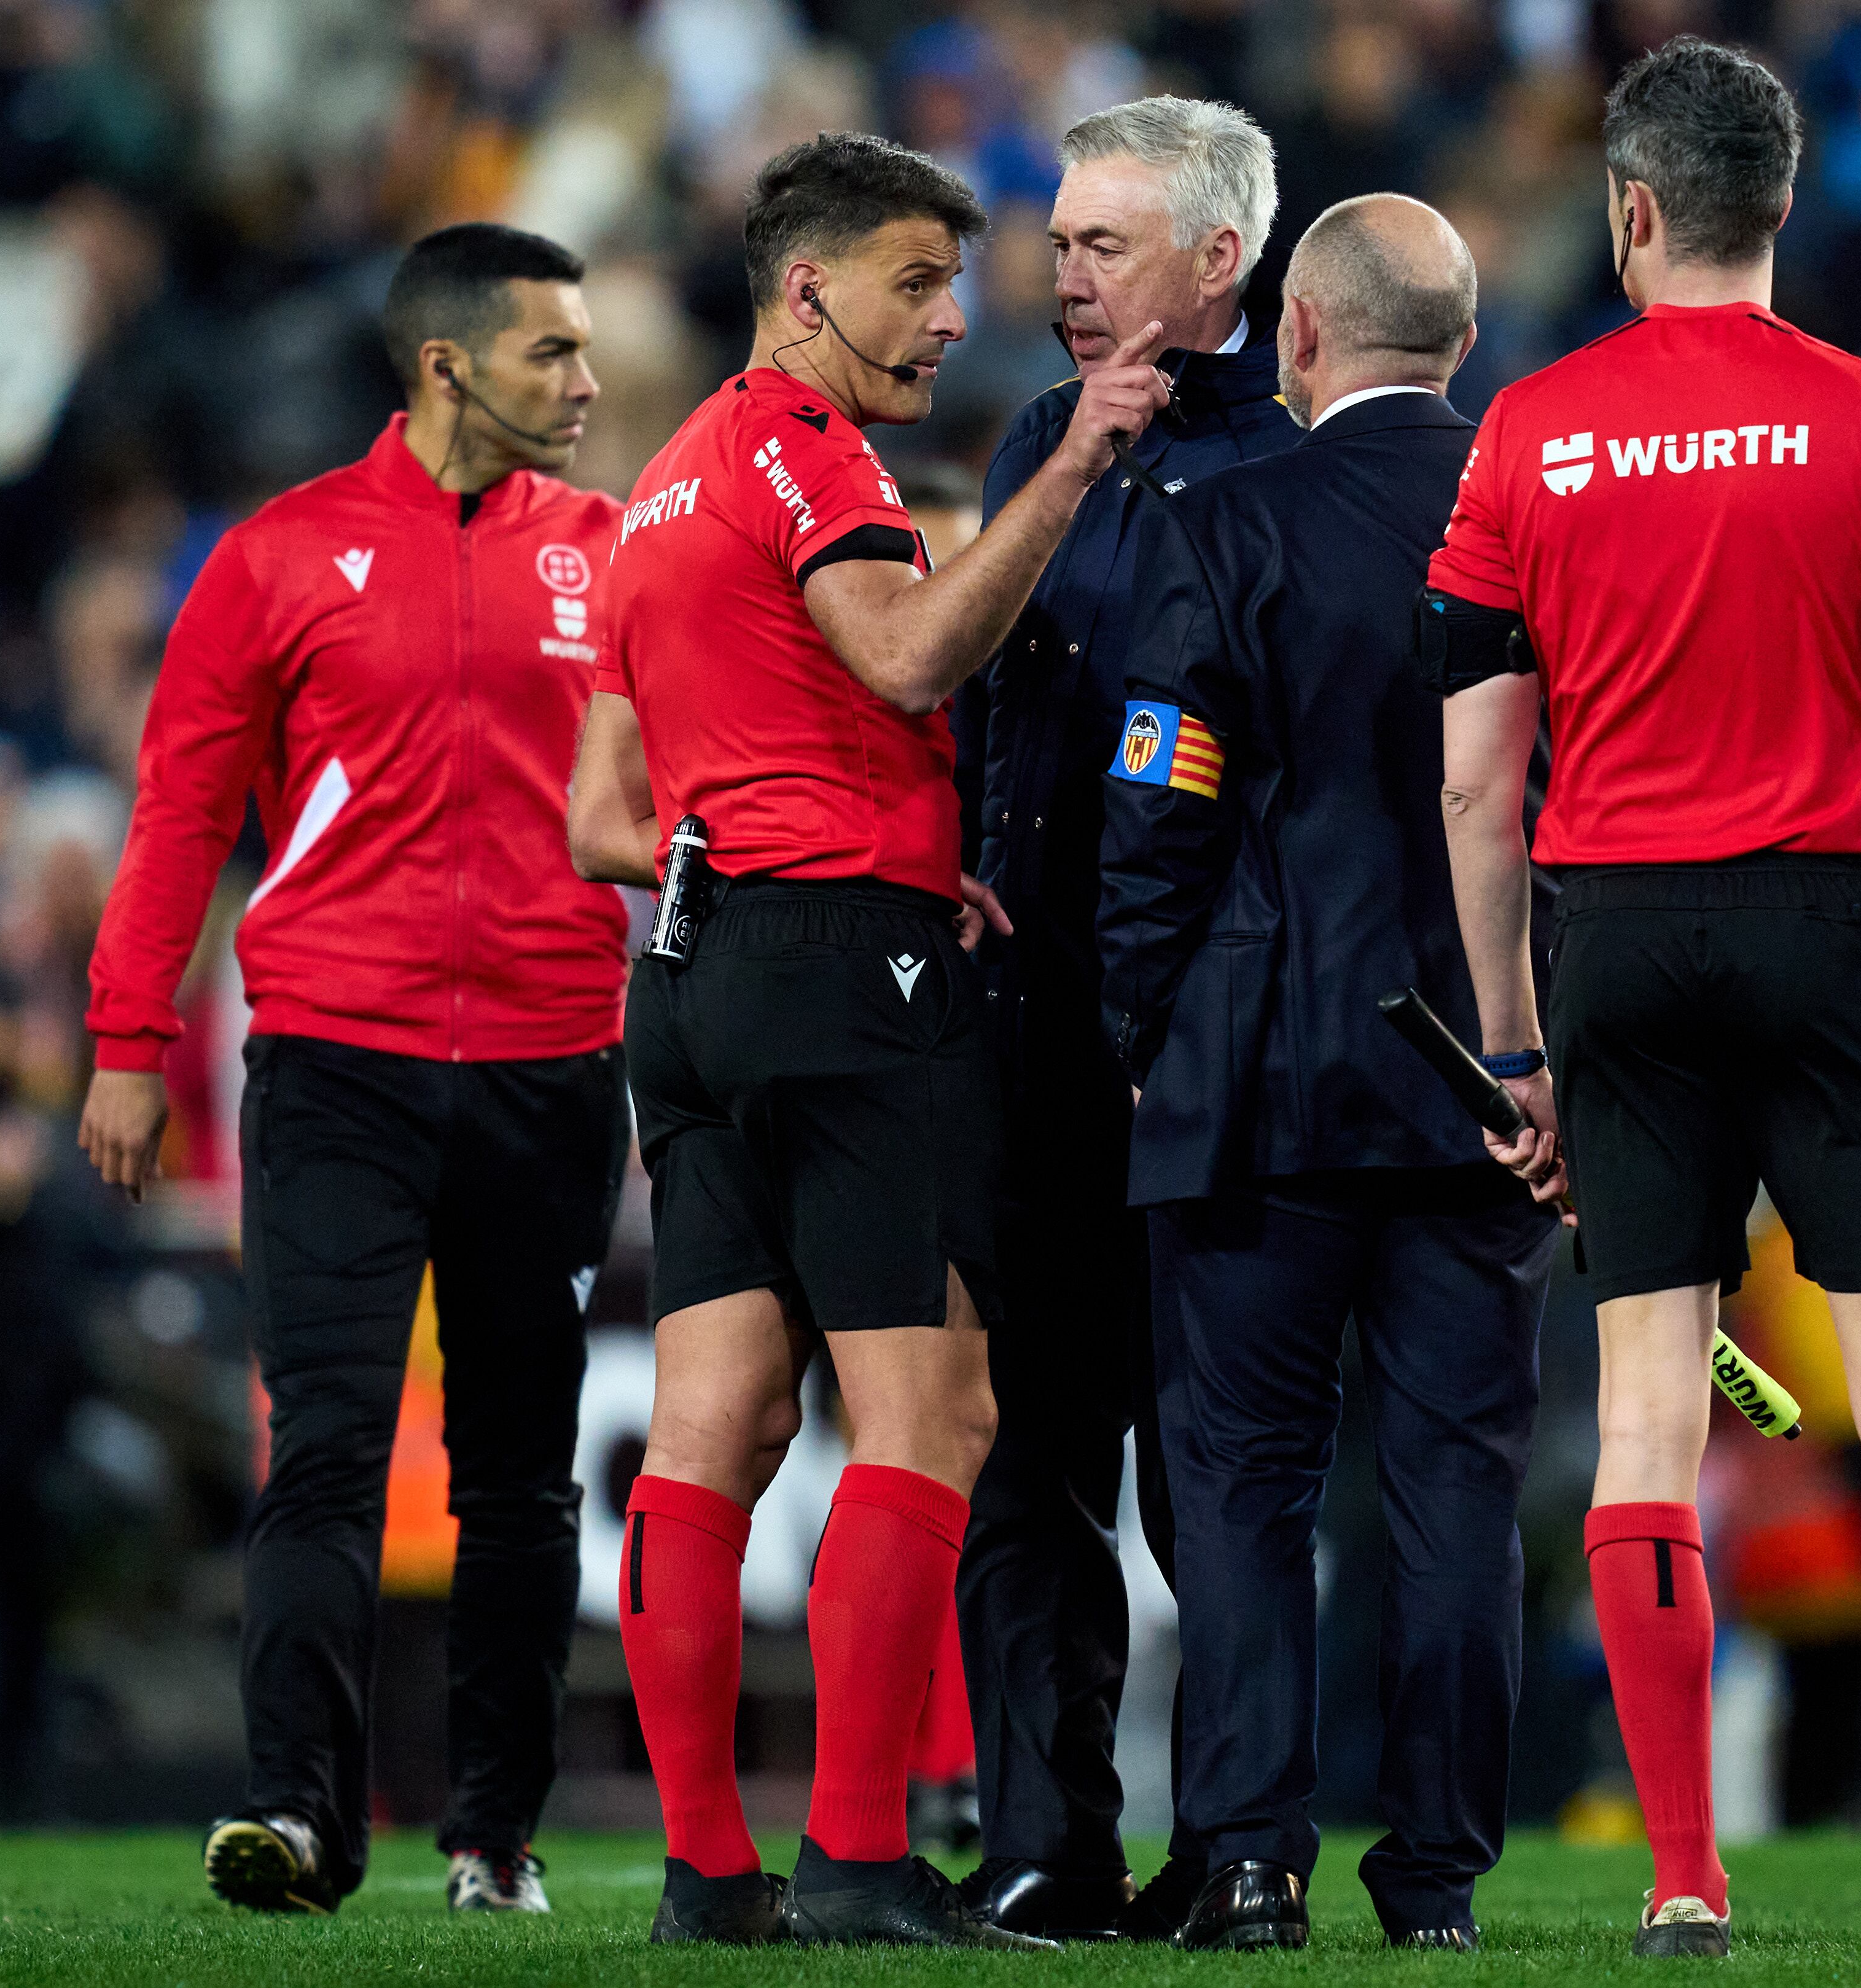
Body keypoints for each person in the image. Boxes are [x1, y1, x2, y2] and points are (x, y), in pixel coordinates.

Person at [1423, 39, 1861, 1961]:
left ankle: (1681, 1884)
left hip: (1621, 943)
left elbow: (1481, 782)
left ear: (1633, 209)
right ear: (1781, 207)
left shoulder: (1528, 432)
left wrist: (1514, 1046)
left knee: (1652, 1420)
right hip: (1839, 934)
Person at [567, 130, 1165, 1950]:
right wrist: (1066, 472)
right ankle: (853, 1859)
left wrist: (812, 844)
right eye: (917, 283)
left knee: (716, 1424)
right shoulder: (801, 449)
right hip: (841, 979)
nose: (948, 322)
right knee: (936, 1406)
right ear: (806, 287)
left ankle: (705, 1877)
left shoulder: (658, 484)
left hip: (688, 977)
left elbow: (606, 810)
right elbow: (908, 661)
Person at [79, 224, 630, 1919]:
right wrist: (126, 1041)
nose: (592, 382)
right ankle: (301, 1819)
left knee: (520, 1473)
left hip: (553, 1059)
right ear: (445, 365)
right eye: (554, 352)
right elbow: (180, 808)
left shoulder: (618, 554)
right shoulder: (279, 557)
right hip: (332, 1060)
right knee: (320, 1446)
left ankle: (496, 1836)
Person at [1096, 193, 1554, 1953]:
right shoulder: (1538, 533)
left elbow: (1159, 802)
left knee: (1241, 1488)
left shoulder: (1230, 521)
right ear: (1463, 346)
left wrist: (1146, 1027)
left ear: (1297, 332)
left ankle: (1250, 1860)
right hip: (1487, 1087)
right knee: (1453, 1490)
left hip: (1258, 1079)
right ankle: (1433, 1881)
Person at [951, 95, 1303, 1944]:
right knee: (1030, 1456)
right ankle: (1046, 1842)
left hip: (1216, 1047)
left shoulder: (1300, 459)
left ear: (1219, 262)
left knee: (1214, 1473)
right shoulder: (1035, 434)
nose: (1059, 275)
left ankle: (1238, 1838)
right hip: (1031, 1039)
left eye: (1103, 245)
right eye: (1060, 241)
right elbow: (979, 691)